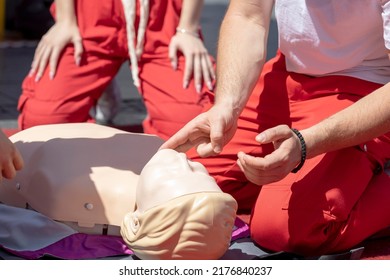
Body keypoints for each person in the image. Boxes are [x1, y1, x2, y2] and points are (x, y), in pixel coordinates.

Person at [161, 0, 390, 257]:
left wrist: (306, 144)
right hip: (285, 76)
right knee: (175, 194)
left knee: (287, 229)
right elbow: (248, 15)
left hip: (365, 89)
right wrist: (226, 105)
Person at [0, 123, 237, 260]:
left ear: (135, 222)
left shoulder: (70, 192)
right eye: (198, 171)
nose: (185, 161)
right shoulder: (156, 159)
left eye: (172, 175)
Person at [18, 0, 216, 140]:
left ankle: (103, 82)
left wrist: (187, 28)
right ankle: (98, 83)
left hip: (161, 19)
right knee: (44, 122)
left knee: (189, 126)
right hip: (91, 15)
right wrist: (65, 20)